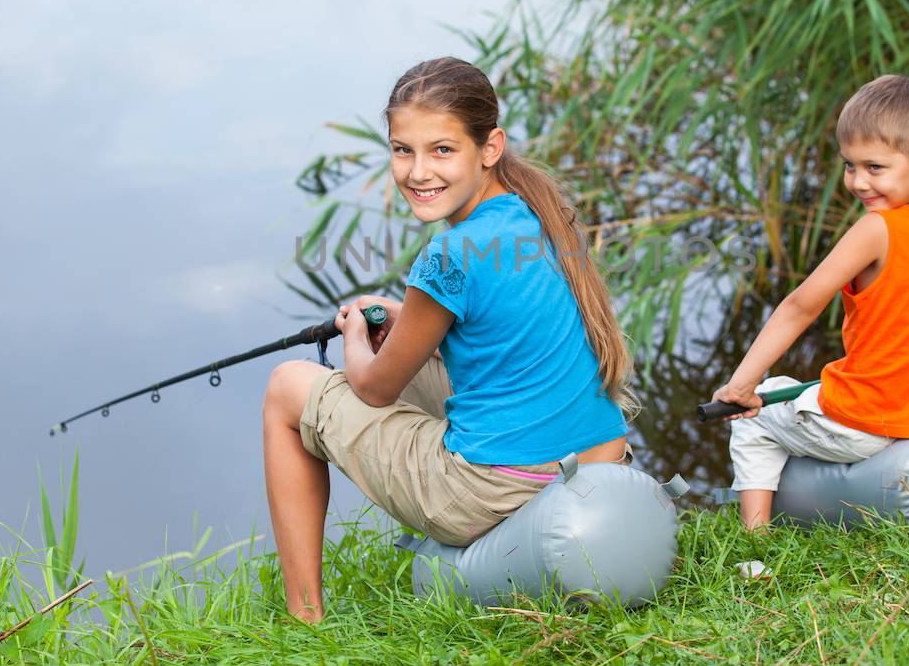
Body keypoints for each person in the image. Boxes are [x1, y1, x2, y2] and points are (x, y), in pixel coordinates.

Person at [261, 57, 634, 621]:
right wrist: (403, 313)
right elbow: (500, 328)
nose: (416, 171)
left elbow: (375, 388)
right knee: (402, 352)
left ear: (489, 147)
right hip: (595, 459)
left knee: (287, 387)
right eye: (401, 149)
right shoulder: (544, 212)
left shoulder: (448, 254)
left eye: (441, 150)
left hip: (490, 491)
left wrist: (356, 334)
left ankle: (304, 618)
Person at [712, 74, 909, 530]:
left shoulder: (876, 230)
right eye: (849, 166)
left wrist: (741, 386)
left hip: (865, 421)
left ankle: (755, 538)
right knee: (794, 387)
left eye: (874, 168)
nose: (858, 183)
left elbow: (799, 307)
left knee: (754, 414)